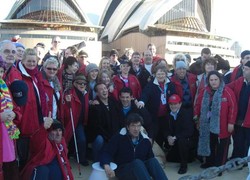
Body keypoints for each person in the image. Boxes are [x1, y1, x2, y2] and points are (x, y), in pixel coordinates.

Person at [100, 113, 168, 180]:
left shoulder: (145, 140)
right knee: (137, 162)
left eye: (138, 126)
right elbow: (107, 152)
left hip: (141, 171)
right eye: (133, 126)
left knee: (153, 161)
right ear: (127, 127)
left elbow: (150, 158)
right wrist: (106, 166)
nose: (136, 129)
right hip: (123, 171)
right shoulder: (119, 138)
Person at [16, 48, 51, 170]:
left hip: (36, 124)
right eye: (29, 61)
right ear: (23, 60)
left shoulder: (36, 75)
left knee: (33, 157)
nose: (31, 64)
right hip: (23, 125)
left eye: (34, 61)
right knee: (23, 158)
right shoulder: (19, 76)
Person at [194, 71, 237, 169]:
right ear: (208, 81)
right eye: (211, 80)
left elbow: (233, 108)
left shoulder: (227, 91)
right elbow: (198, 105)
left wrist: (231, 122)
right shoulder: (205, 91)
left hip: (223, 125)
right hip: (207, 125)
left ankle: (220, 166)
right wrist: (197, 118)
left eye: (215, 79)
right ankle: (210, 162)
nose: (213, 82)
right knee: (210, 144)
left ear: (220, 80)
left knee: (222, 146)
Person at [137, 65, 176, 146]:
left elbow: (174, 96)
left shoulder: (170, 84)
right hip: (154, 115)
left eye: (162, 74)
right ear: (155, 75)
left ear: (165, 74)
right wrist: (142, 102)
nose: (160, 76)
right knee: (155, 134)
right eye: (158, 74)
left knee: (166, 132)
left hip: (166, 115)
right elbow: (145, 94)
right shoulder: (151, 85)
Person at [163, 94, 196, 174]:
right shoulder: (168, 115)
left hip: (186, 140)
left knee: (182, 141)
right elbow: (165, 129)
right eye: (171, 104)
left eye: (175, 104)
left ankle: (184, 166)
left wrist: (175, 137)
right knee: (169, 158)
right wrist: (168, 137)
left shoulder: (186, 114)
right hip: (175, 141)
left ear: (180, 104)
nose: (173, 106)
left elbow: (189, 131)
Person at [88, 83, 121, 162]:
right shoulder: (95, 106)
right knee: (99, 140)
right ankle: (96, 160)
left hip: (114, 131)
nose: (104, 90)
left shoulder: (113, 101)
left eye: (105, 88)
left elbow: (119, 118)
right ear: (97, 93)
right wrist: (108, 137)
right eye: (101, 89)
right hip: (102, 134)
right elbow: (96, 127)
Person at [0, 57, 21, 180]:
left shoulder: (4, 87)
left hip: (7, 133)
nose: (0, 74)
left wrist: (14, 114)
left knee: (8, 166)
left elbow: (15, 107)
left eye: (1, 71)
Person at [62, 73, 89, 166]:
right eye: (79, 83)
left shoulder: (85, 94)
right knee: (69, 139)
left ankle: (81, 158)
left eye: (84, 84)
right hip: (72, 121)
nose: (82, 85)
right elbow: (65, 109)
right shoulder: (69, 94)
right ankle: (66, 156)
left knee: (81, 140)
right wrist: (67, 102)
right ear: (74, 83)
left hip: (81, 122)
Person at [228, 61, 250, 159]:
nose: (243, 71)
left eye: (246, 69)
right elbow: (226, 88)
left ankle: (244, 162)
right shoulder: (240, 81)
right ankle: (235, 159)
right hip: (239, 119)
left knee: (247, 143)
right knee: (237, 141)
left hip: (248, 121)